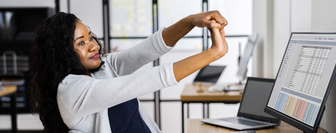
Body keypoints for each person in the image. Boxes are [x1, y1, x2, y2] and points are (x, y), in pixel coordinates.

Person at [29, 10, 228, 133]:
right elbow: (145, 81)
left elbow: (151, 47)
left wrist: (191, 21)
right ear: (61, 53)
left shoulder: (102, 68)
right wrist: (213, 53)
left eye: (90, 37)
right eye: (81, 43)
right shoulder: (71, 90)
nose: (92, 46)